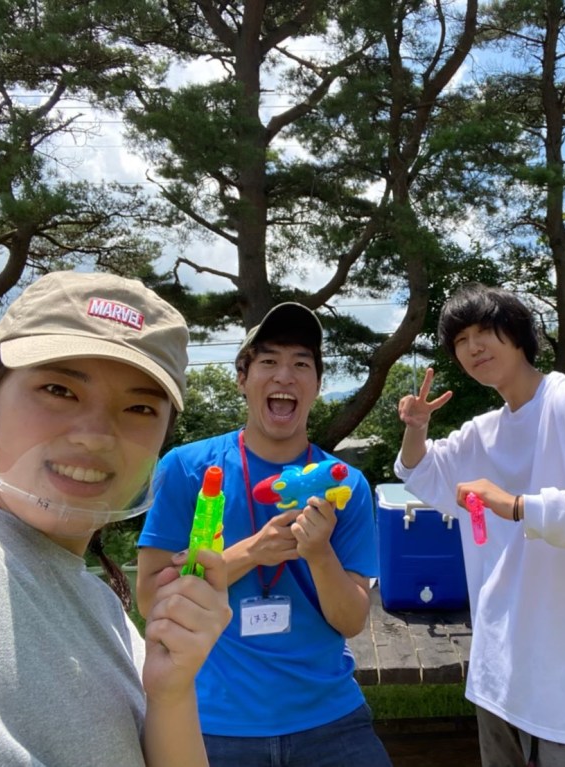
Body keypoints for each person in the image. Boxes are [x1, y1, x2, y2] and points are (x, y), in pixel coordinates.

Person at [0, 271, 232, 766]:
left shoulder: (109, 614)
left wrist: (171, 691)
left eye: (139, 407)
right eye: (58, 389)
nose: (96, 435)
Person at [395, 283, 565, 767]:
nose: (473, 347)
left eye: (484, 331)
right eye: (460, 341)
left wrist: (520, 506)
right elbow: (425, 473)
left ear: (518, 332)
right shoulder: (486, 429)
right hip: (499, 655)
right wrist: (416, 431)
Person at [137, 302, 390, 767]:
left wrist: (319, 553)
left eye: (302, 364)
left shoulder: (345, 485)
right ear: (242, 378)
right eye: (269, 361)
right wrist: (254, 551)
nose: (285, 376)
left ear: (317, 384)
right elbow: (152, 599)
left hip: (330, 718)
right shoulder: (188, 470)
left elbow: (352, 620)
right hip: (211, 723)